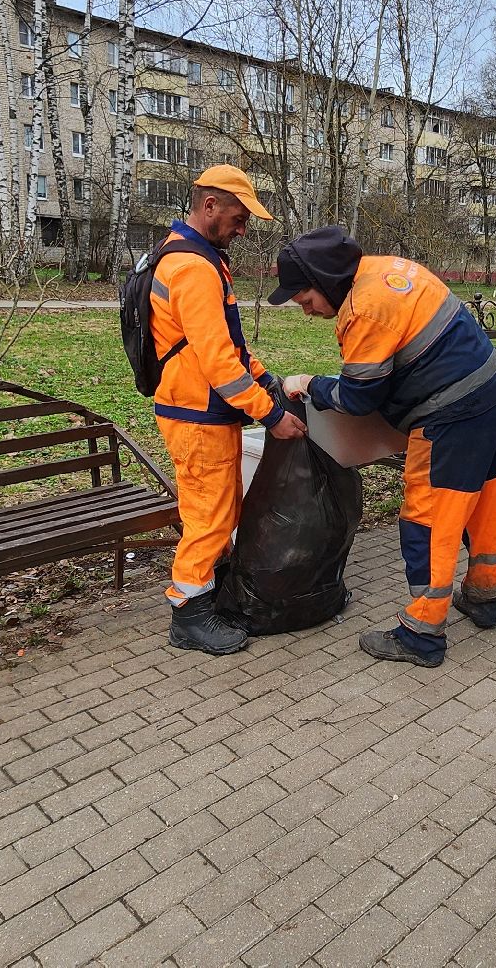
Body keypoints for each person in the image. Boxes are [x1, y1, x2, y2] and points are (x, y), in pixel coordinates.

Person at [272, 227, 496, 669]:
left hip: (451, 416)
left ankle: (422, 633)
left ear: (326, 280)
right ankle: (484, 597)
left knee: (428, 519)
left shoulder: (365, 307)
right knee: (487, 504)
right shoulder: (389, 271)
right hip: (495, 393)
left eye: (306, 300)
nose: (306, 311)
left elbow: (359, 397)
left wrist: (307, 384)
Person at [146, 166, 306, 656]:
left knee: (220, 508)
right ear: (209, 205)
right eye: (238, 219)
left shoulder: (198, 257)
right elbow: (218, 362)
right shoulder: (193, 268)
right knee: (208, 516)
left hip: (202, 409)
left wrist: (268, 383)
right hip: (195, 413)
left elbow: (228, 347)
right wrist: (271, 414)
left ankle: (211, 594)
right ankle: (188, 613)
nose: (243, 229)